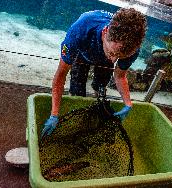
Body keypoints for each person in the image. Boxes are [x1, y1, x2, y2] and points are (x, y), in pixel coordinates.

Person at [41, 8, 147, 138]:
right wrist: (54, 114)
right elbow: (60, 75)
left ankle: (96, 108)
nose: (113, 60)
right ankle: (77, 122)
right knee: (77, 89)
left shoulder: (131, 48)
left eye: (120, 57)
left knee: (101, 87)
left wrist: (128, 103)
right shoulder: (79, 32)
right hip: (83, 54)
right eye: (113, 54)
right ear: (104, 33)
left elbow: (120, 76)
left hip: (103, 52)